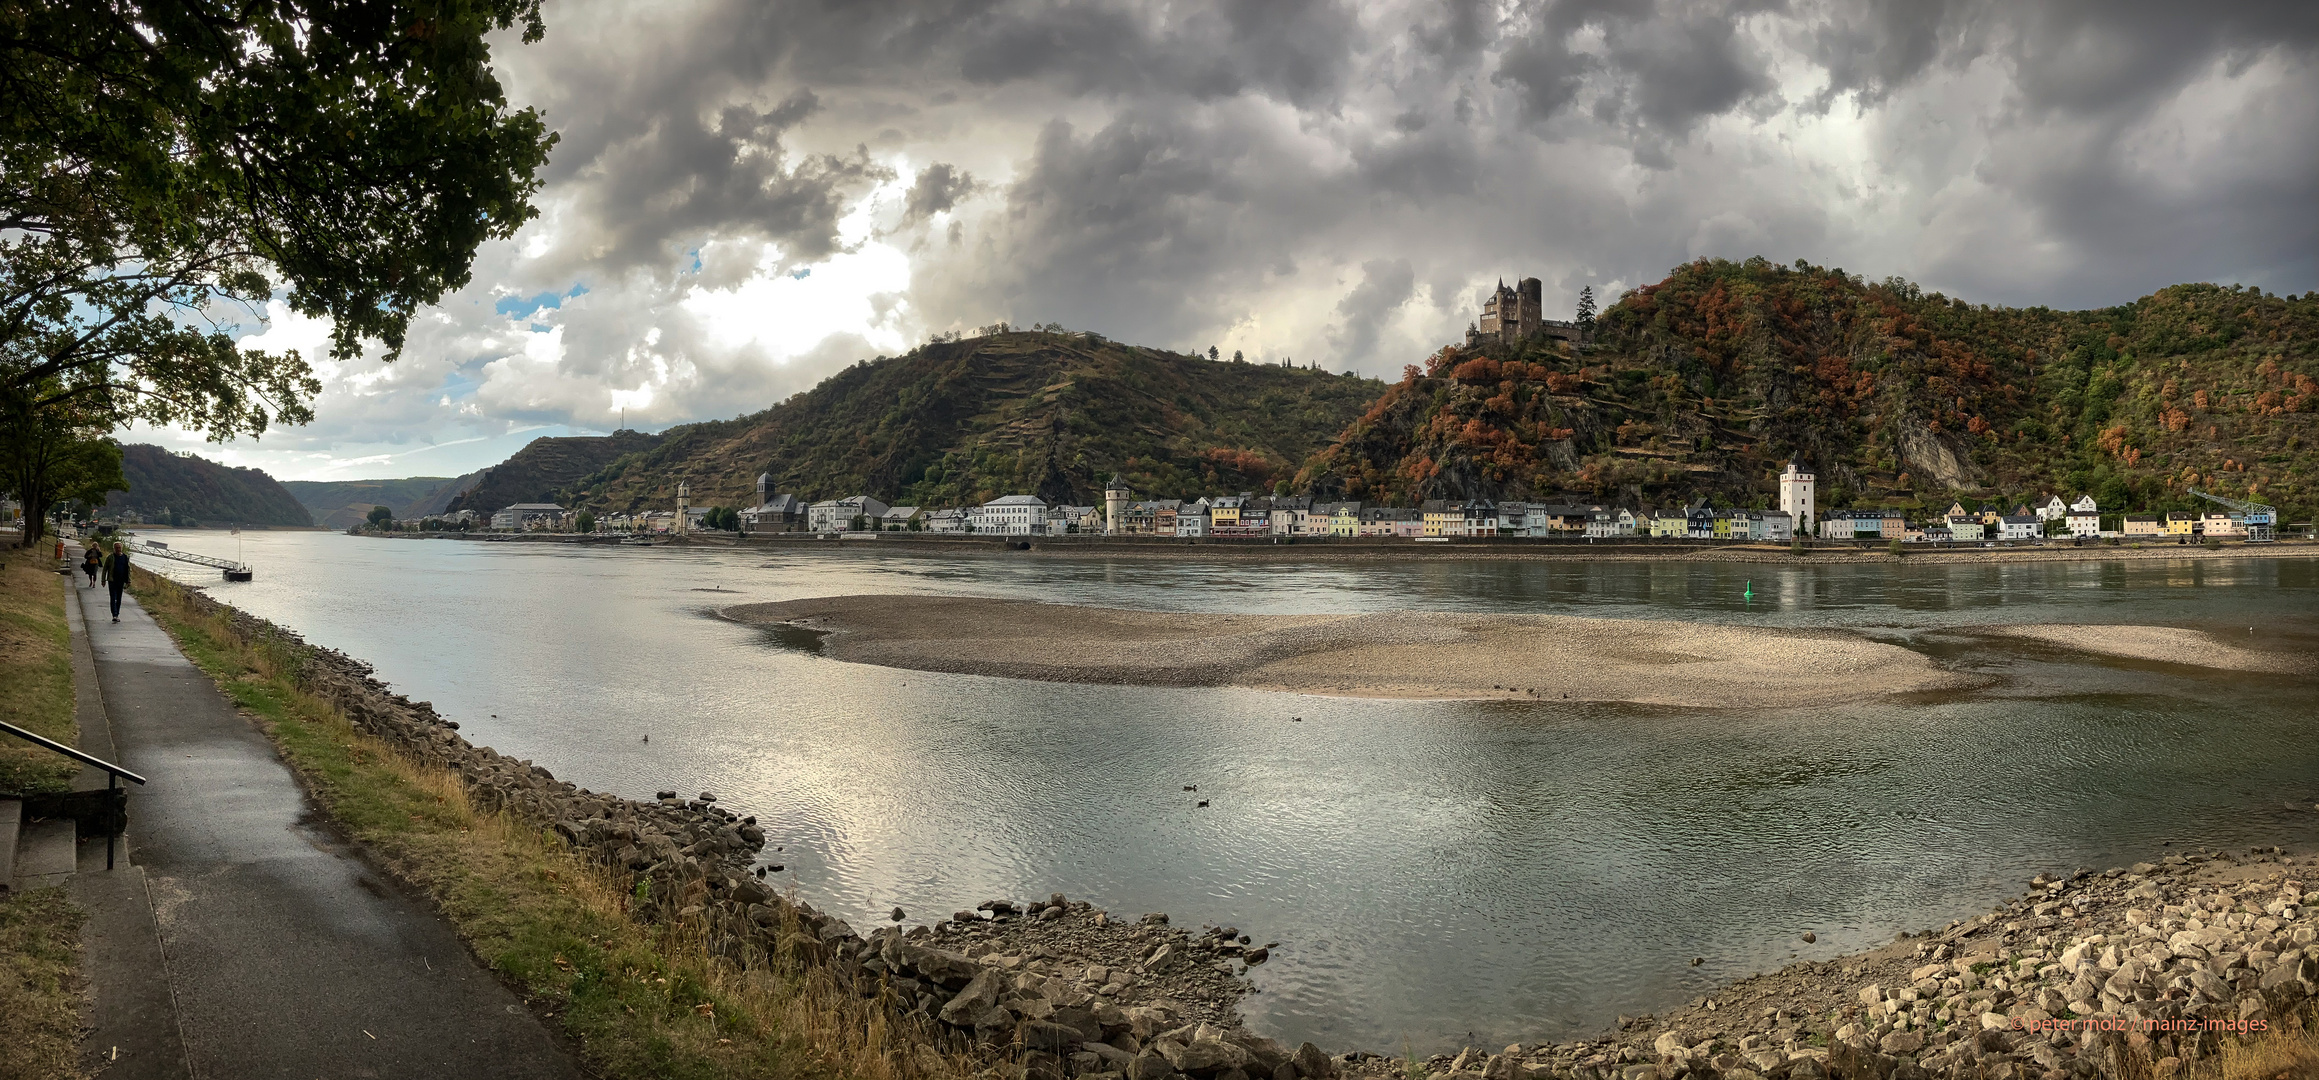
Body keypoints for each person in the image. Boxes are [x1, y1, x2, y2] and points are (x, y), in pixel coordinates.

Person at [105, 542, 130, 622]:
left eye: (119, 547)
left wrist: (128, 580)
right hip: (112, 580)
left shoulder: (125, 557)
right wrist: (103, 580)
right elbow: (105, 569)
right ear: (114, 548)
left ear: (121, 548)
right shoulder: (110, 557)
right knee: (113, 597)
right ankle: (114, 615)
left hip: (121, 580)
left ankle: (117, 613)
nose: (118, 549)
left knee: (119, 598)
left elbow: (127, 569)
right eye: (116, 548)